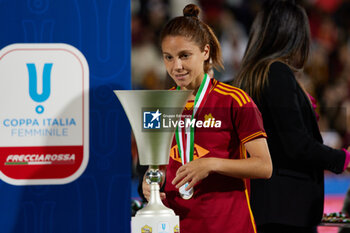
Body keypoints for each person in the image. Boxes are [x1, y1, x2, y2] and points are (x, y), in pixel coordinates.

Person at [142, 4, 272, 233]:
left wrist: (211, 164)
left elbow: (264, 166)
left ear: (205, 52)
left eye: (185, 56)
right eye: (168, 57)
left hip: (229, 225)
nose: (176, 66)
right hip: (176, 224)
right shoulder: (159, 106)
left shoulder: (235, 100)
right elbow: (159, 166)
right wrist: (151, 182)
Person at [234, 1, 350, 233]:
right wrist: (343, 159)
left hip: (264, 204)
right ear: (293, 34)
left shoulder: (250, 77)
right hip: (287, 209)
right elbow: (296, 144)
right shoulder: (276, 73)